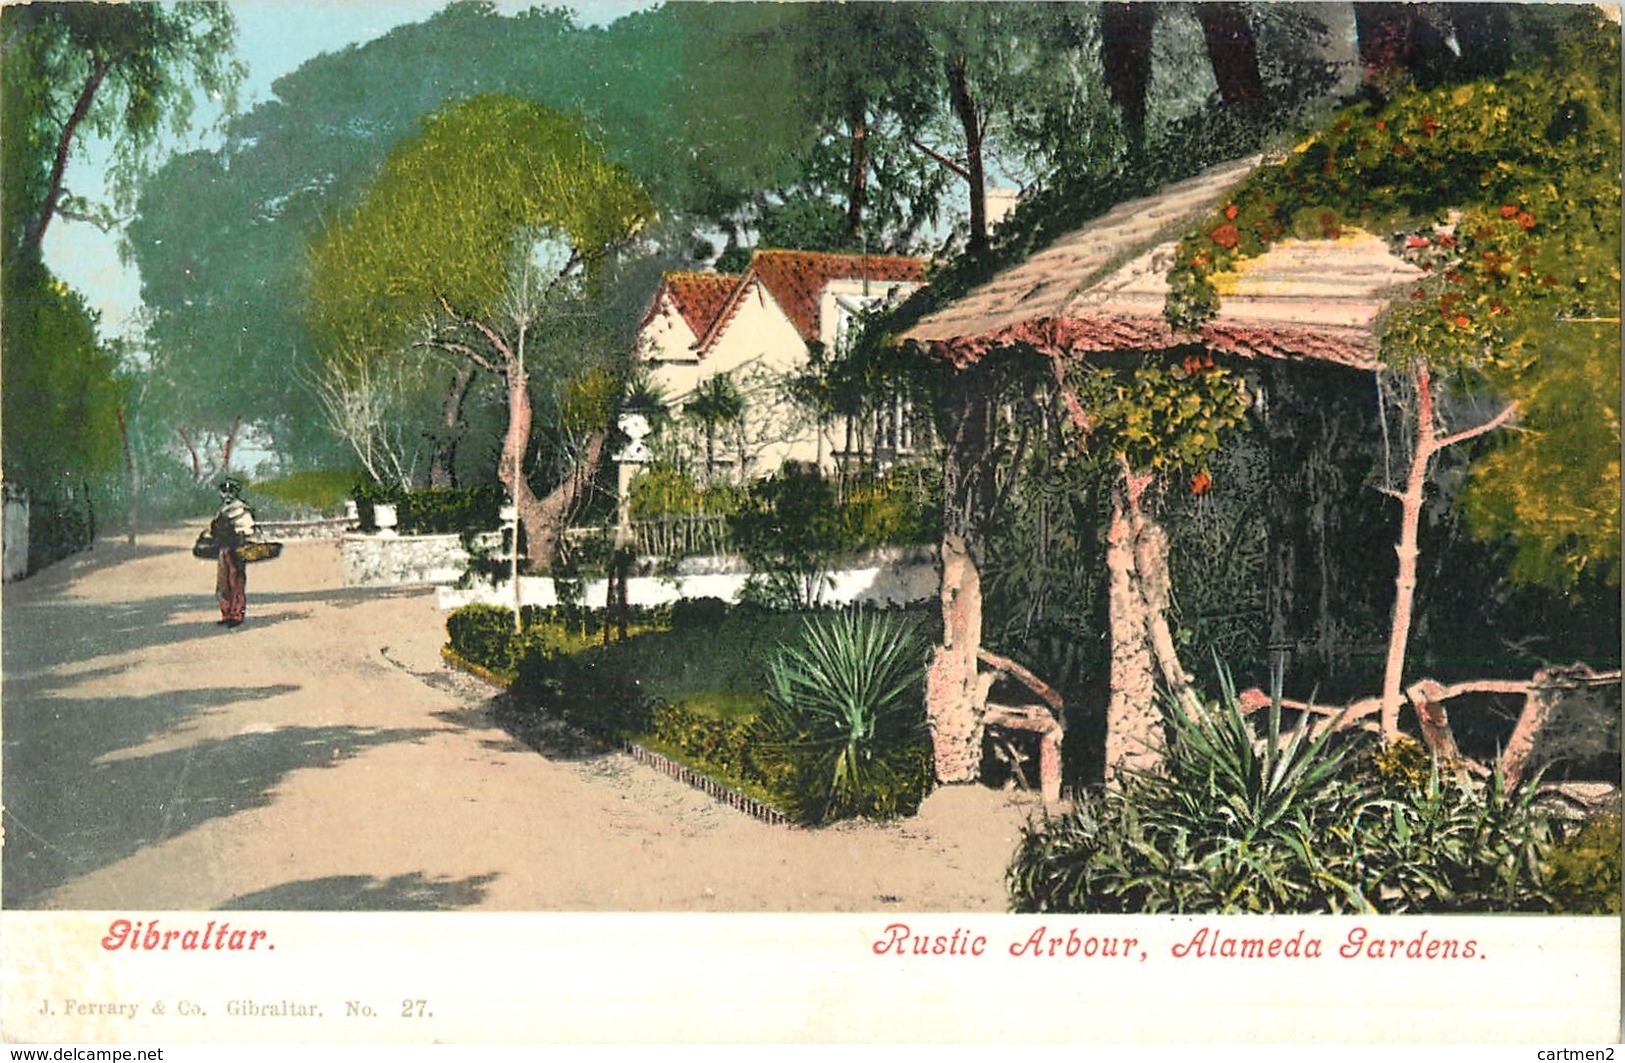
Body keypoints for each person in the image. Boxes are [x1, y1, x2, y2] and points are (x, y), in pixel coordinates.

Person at [211, 478, 257, 628]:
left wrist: (239, 535)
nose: (228, 494)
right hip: (223, 549)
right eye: (225, 491)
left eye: (231, 491)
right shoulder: (222, 510)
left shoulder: (241, 509)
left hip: (236, 549)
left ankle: (237, 615)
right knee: (223, 583)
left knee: (236, 582)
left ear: (236, 493)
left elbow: (249, 529)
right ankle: (226, 614)